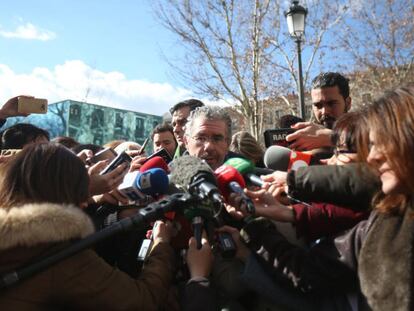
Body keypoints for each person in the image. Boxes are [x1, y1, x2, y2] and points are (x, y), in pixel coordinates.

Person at [0, 143, 177, 311]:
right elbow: (142, 301)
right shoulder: (62, 257)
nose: (85, 203)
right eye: (81, 192)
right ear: (67, 191)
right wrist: (160, 245)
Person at [286, 72, 351, 151]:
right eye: (318, 105)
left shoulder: (365, 128)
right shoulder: (306, 145)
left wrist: (330, 138)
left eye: (331, 103)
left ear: (348, 103)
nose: (324, 111)